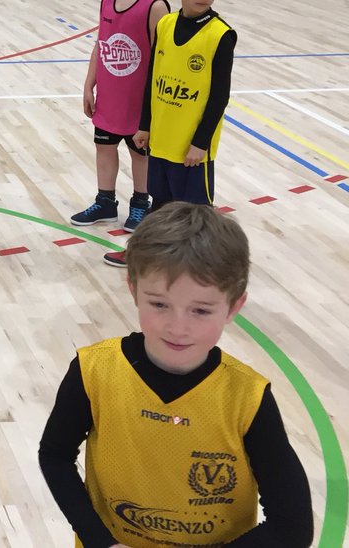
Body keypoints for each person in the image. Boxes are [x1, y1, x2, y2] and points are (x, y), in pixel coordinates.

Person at [39, 202, 313, 547]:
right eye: (159, 304)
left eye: (200, 310)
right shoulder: (93, 371)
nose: (178, 327)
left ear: (234, 307)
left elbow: (293, 528)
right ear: (133, 290)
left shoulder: (248, 398)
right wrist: (100, 541)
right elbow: (55, 455)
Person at [105, 0, 235, 268]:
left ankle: (209, 269)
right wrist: (145, 125)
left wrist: (200, 143)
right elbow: (152, 79)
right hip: (161, 139)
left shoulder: (221, 35)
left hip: (191, 148)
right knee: (159, 204)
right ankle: (143, 253)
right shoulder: (165, 25)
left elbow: (220, 97)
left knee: (197, 213)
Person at [70, 0, 168, 232]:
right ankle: (106, 203)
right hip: (110, 97)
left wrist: (152, 108)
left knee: (140, 154)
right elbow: (101, 45)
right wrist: (89, 85)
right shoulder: (108, 0)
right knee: (104, 147)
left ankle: (140, 204)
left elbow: (162, 60)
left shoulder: (156, 6)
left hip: (139, 102)